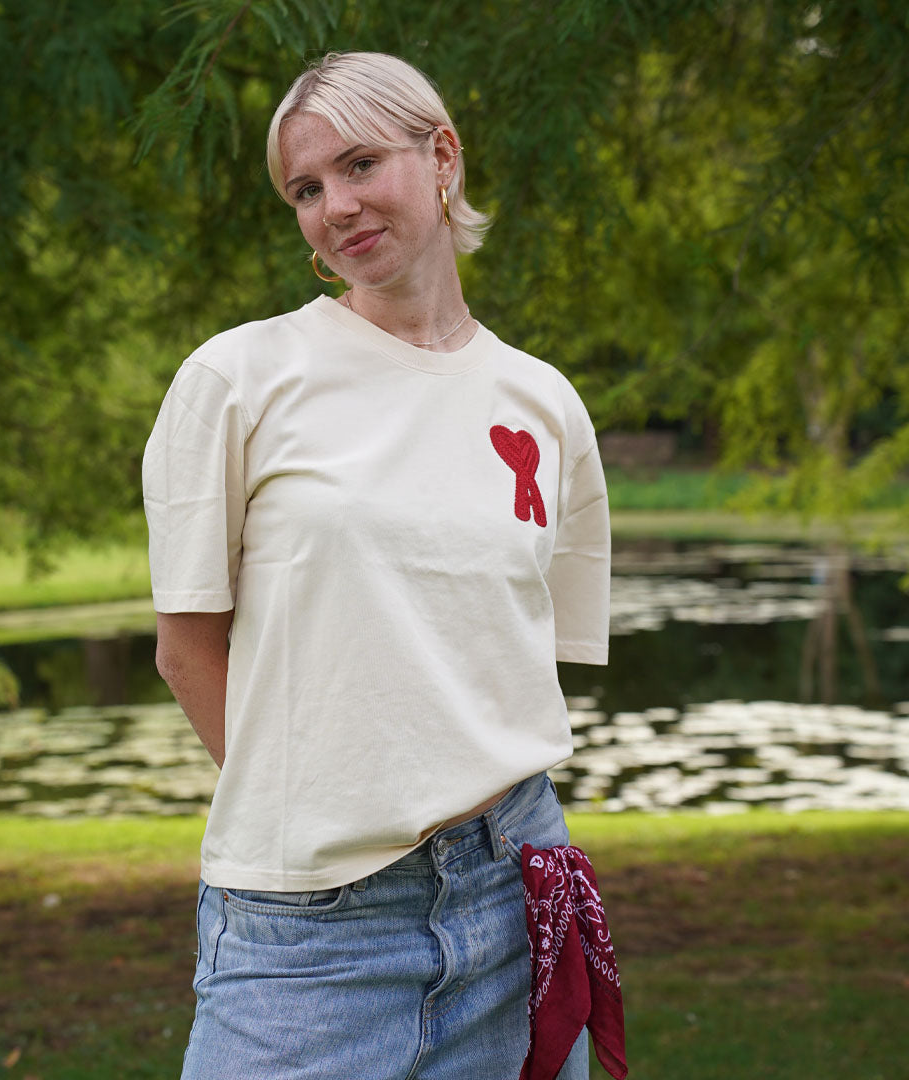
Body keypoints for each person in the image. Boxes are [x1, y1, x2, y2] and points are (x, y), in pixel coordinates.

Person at [142, 50, 611, 1080]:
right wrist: (315, 803)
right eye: (306, 189)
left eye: (359, 166)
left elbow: (518, 659)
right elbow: (187, 651)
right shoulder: (237, 379)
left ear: (442, 155)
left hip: (515, 895)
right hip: (307, 935)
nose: (335, 207)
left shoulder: (543, 403)